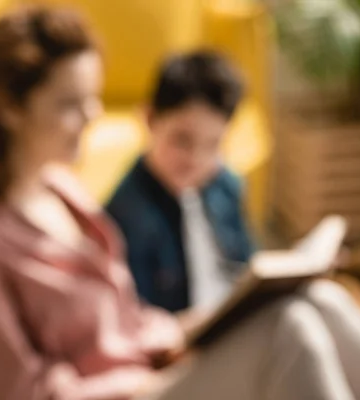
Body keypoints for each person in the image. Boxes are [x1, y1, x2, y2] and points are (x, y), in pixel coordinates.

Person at [0, 6, 360, 400]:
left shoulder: (63, 188)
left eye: (92, 97)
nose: (93, 115)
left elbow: (127, 321)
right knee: (289, 331)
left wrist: (196, 327)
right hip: (124, 392)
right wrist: (143, 381)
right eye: (69, 103)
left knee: (317, 298)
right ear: (6, 106)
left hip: (152, 362)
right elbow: (23, 388)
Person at [106, 52, 254, 314]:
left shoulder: (224, 185)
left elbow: (249, 264)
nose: (196, 160)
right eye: (182, 140)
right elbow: (136, 322)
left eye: (213, 145)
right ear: (150, 119)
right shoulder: (125, 218)